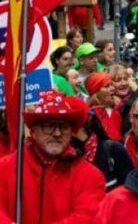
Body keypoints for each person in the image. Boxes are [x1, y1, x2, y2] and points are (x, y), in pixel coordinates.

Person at [0, 91, 106, 223]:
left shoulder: (90, 176)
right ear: (33, 130)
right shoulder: (5, 168)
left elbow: (87, 216)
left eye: (64, 127)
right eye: (49, 126)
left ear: (72, 132)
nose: (57, 133)